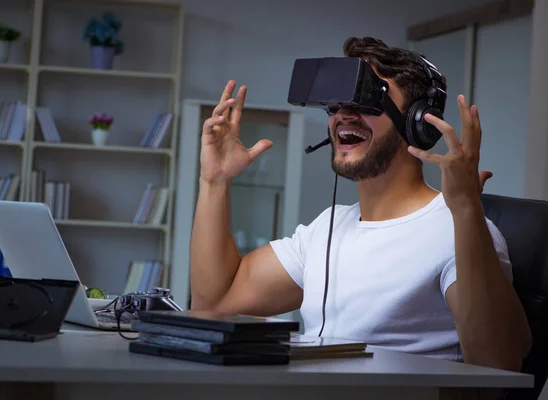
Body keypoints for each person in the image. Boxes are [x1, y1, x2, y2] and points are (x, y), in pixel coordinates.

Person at [189, 37, 531, 371]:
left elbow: (498, 366)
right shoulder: (326, 229)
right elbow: (214, 304)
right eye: (336, 104)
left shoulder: (459, 231)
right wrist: (214, 181)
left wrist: (467, 211)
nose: (344, 115)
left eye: (366, 100)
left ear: (417, 122)